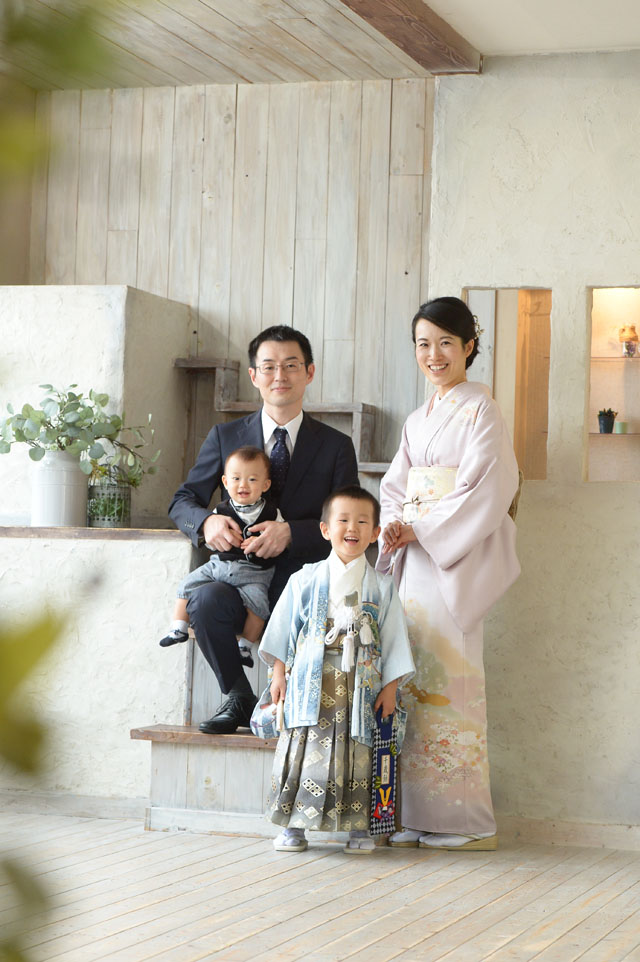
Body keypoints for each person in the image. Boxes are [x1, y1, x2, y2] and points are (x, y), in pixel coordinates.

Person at [377, 296, 520, 852]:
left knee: (451, 684)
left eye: (445, 343)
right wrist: (394, 525)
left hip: (449, 562)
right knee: (411, 681)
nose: (433, 354)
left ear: (468, 346)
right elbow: (395, 487)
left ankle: (466, 821)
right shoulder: (418, 420)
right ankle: (417, 814)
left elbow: (487, 487)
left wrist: (420, 528)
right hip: (414, 561)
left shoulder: (482, 409)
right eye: (423, 344)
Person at [169, 325, 359, 734]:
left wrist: (292, 532)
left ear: (309, 372)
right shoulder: (224, 436)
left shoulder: (336, 445)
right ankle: (238, 696)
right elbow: (182, 501)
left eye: (291, 365)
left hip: (304, 581)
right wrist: (207, 522)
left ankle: (299, 710)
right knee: (204, 598)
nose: (279, 376)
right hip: (238, 582)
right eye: (269, 366)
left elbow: (349, 522)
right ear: (254, 375)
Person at [259, 486, 414, 854]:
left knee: (360, 752)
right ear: (325, 529)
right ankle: (294, 827)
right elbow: (284, 630)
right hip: (310, 681)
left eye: (362, 521)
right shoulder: (304, 579)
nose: (352, 528)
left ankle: (359, 830)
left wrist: (390, 688)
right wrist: (279, 674)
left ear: (376, 533)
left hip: (362, 685)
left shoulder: (382, 586)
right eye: (343, 520)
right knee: (302, 750)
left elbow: (394, 638)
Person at [160, 446, 281, 668]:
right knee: (187, 584)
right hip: (219, 567)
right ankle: (178, 627)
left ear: (265, 485)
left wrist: (262, 541)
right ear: (225, 482)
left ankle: (245, 646)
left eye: (252, 479)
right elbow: (208, 537)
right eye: (236, 479)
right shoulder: (220, 511)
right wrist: (212, 532)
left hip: (254, 573)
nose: (243, 485)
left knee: (260, 606)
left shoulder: (272, 512)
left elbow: (278, 537)